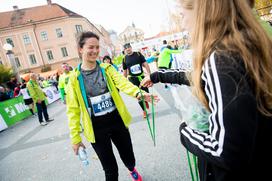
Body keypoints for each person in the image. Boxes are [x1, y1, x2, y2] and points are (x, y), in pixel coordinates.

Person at [141, 0, 272, 180]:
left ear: (202, 11)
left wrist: (185, 131)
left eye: (183, 13)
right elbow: (195, 77)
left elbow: (226, 152)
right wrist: (157, 76)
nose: (183, 22)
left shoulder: (220, 60)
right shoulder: (250, 43)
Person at [66, 31, 158, 181]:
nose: (95, 51)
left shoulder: (107, 69)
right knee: (110, 169)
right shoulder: (73, 79)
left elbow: (123, 83)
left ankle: (131, 168)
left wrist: (139, 93)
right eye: (91, 47)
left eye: (97, 47)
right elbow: (72, 110)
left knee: (128, 155)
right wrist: (75, 137)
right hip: (96, 127)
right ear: (80, 49)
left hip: (116, 120)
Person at [122, 43, 151, 118]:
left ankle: (145, 101)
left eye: (129, 47)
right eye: (126, 48)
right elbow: (125, 71)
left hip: (141, 77)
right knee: (138, 95)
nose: (128, 49)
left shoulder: (138, 54)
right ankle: (144, 111)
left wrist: (149, 74)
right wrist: (123, 81)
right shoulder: (124, 59)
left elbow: (145, 64)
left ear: (131, 48)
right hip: (133, 79)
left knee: (146, 93)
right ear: (124, 50)